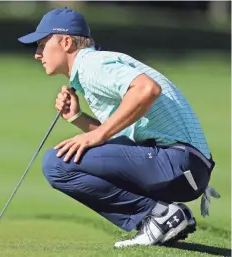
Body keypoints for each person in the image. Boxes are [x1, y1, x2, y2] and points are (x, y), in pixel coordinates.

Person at [18, 7, 220, 248]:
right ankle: (159, 215)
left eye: (41, 45)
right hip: (183, 167)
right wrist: (78, 118)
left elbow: (147, 90)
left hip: (178, 163)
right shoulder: (94, 67)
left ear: (66, 42)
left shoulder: (92, 66)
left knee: (57, 164)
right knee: (64, 160)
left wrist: (97, 135)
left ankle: (158, 216)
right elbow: (125, 143)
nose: (37, 54)